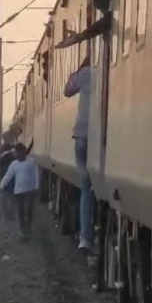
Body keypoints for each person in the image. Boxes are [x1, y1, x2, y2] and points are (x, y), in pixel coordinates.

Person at [64, 55, 93, 253]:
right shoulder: (101, 71)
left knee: (85, 189)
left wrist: (78, 68)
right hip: (100, 136)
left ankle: (85, 237)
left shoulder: (85, 73)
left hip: (82, 136)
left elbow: (67, 91)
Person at [0, 143, 40, 241]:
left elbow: (36, 174)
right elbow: (8, 175)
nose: (18, 155)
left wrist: (37, 186)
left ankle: (28, 228)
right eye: (16, 154)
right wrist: (2, 185)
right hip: (19, 191)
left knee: (28, 210)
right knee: (20, 211)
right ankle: (23, 230)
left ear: (24, 152)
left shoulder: (32, 162)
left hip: (30, 190)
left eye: (19, 153)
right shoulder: (14, 164)